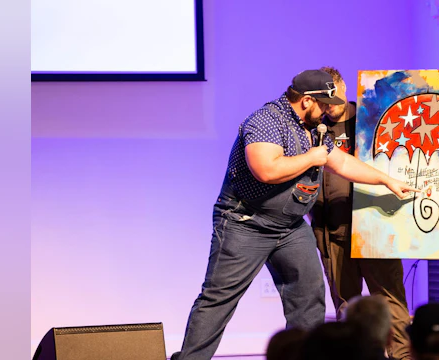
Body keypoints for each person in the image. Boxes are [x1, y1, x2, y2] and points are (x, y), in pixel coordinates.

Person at [171, 69, 421, 360]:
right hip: (246, 223)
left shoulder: (313, 128)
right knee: (219, 298)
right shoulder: (266, 120)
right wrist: (312, 158)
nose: (329, 110)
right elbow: (265, 169)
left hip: (289, 226)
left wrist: (386, 181)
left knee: (309, 295)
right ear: (306, 101)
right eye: (324, 104)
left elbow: (340, 162)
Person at [308, 66, 413, 360]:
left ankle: (402, 357)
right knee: (345, 305)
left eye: (335, 100)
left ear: (344, 90)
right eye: (325, 103)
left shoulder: (371, 120)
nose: (330, 109)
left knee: (389, 299)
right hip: (331, 227)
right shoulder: (311, 129)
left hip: (375, 226)